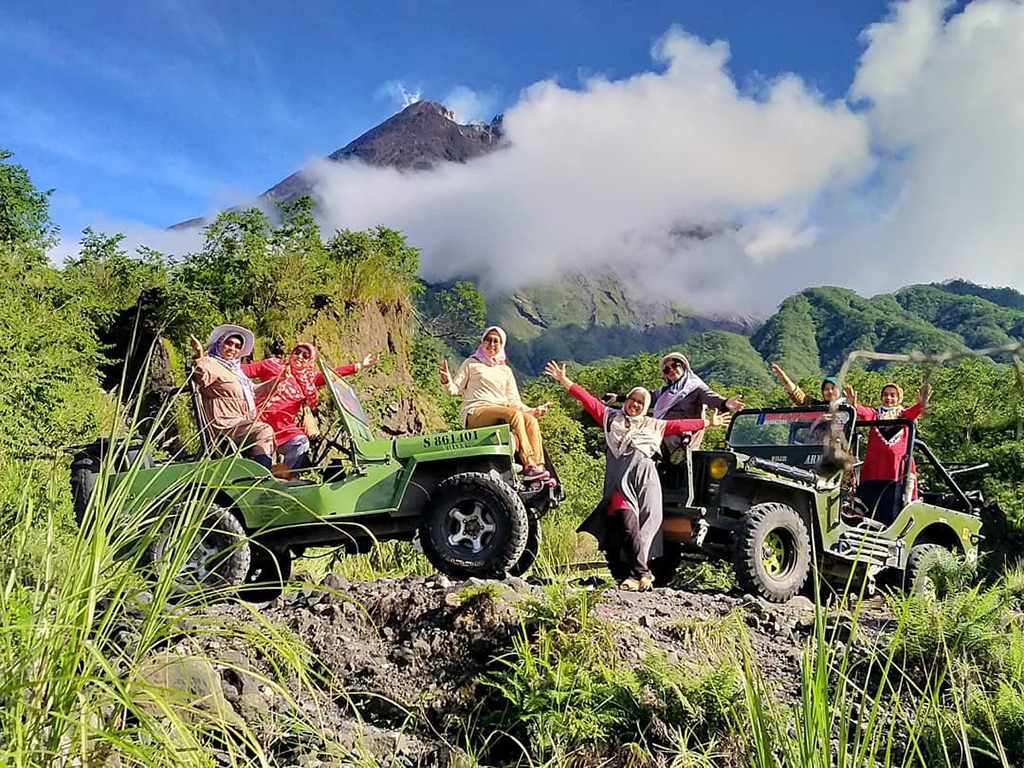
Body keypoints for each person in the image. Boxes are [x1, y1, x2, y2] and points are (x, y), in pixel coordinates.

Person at [545, 360, 721, 591]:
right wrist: (564, 380)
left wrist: (709, 422)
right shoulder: (610, 418)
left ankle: (638, 576)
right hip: (621, 479)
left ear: (646, 405)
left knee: (646, 525)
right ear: (626, 401)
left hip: (646, 477)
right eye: (632, 400)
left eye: (640, 402)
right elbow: (587, 400)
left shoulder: (654, 424)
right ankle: (642, 572)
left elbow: (680, 425)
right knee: (627, 522)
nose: (635, 405)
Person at [440, 326, 552, 482]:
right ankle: (529, 464)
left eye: (496, 341)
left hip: (501, 412)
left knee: (530, 421)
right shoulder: (471, 363)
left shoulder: (505, 370)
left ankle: (540, 469)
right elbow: (454, 390)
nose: (491, 344)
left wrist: (532, 411)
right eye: (488, 340)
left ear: (502, 345)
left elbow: (513, 400)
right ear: (482, 342)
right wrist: (447, 381)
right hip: (476, 412)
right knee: (514, 415)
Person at [242, 343, 380, 469]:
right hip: (260, 420)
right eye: (297, 352)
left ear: (309, 360)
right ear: (291, 353)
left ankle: (285, 477)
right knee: (261, 460)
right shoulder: (273, 365)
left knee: (301, 442)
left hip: (282, 428)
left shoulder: (309, 380)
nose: (300, 356)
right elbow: (243, 371)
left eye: (305, 355)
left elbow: (332, 375)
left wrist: (360, 365)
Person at [189, 325, 276, 471]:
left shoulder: (236, 372)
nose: (233, 348)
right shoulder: (211, 362)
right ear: (219, 343)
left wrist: (278, 380)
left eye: (237, 346)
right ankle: (263, 476)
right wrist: (198, 354)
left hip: (240, 422)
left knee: (268, 433)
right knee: (263, 430)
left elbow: (255, 391)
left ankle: (262, 470)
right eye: (228, 343)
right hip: (224, 423)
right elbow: (200, 375)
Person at [850, 381, 933, 522]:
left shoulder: (903, 415)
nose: (888, 398)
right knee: (872, 499)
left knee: (895, 501)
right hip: (876, 467)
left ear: (899, 399)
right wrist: (854, 406)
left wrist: (921, 404)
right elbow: (864, 413)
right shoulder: (875, 415)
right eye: (885, 395)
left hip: (897, 468)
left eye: (893, 395)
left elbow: (915, 411)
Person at [770, 363, 855, 407]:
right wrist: (784, 378)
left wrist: (853, 405)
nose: (830, 391)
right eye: (826, 389)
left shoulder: (846, 408)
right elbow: (798, 396)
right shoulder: (817, 407)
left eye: (833, 388)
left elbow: (860, 415)